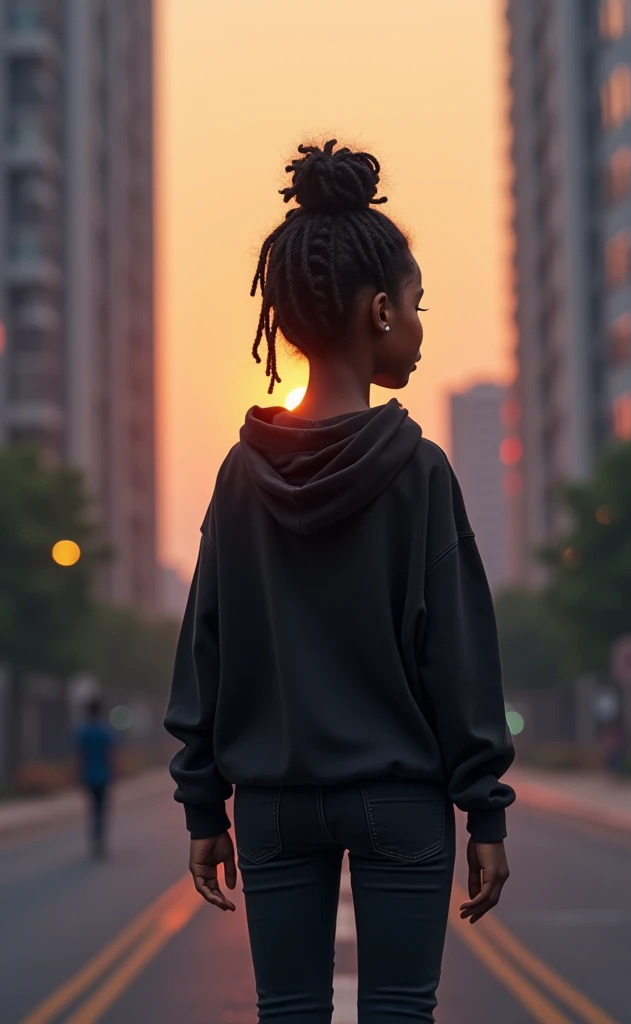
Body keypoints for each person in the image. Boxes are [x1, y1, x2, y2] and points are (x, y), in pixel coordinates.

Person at [164, 139, 516, 1023]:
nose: (422, 323)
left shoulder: (238, 475)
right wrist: (486, 812)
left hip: (274, 803)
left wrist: (204, 803)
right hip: (401, 800)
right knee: (400, 1011)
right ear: (381, 310)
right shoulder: (422, 471)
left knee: (289, 1014)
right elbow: (459, 656)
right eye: (419, 304)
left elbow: (205, 644)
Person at [74, 697, 115, 860]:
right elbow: (111, 755)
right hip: (103, 776)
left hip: (88, 776)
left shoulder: (83, 731)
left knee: (92, 809)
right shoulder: (105, 731)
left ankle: (94, 841)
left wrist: (77, 775)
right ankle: (100, 842)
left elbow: (79, 756)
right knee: (102, 809)